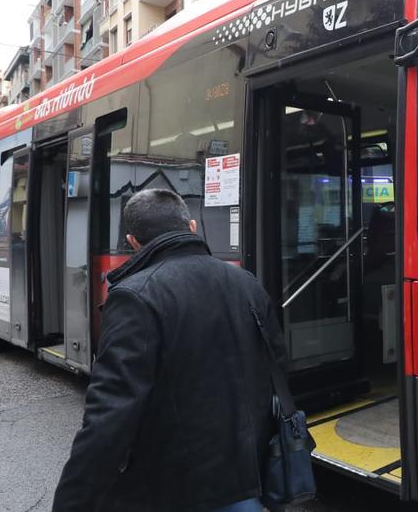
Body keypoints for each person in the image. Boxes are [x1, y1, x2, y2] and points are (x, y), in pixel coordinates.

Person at [53, 189, 288, 511]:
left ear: (133, 241)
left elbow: (110, 414)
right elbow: (276, 367)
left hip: (177, 491)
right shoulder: (246, 283)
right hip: (248, 481)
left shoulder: (135, 297)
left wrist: (73, 501)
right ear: (192, 227)